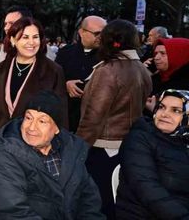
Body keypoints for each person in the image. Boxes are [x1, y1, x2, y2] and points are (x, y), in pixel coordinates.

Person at [0, 90, 104, 219]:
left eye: (42, 121)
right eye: (28, 118)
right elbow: (14, 212)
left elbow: (88, 200)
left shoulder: (70, 151)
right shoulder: (3, 157)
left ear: (56, 128)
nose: (31, 128)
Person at [76, 19, 152, 219]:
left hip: (102, 148)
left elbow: (94, 115)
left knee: (99, 205)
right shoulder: (142, 69)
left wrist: (77, 148)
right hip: (128, 146)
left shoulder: (108, 70)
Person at [0, 17, 67, 147]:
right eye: (25, 37)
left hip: (34, 144)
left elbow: (61, 112)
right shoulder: (3, 67)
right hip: (2, 141)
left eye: (35, 37)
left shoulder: (53, 71)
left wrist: (58, 145)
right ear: (13, 40)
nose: (31, 42)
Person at [115, 89, 189, 219]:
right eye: (161, 107)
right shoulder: (139, 139)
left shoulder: (184, 141)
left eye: (176, 110)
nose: (164, 114)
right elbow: (147, 189)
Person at [55, 15, 107, 132]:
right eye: (97, 33)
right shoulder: (65, 53)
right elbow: (53, 79)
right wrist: (66, 84)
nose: (101, 37)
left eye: (104, 34)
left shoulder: (108, 56)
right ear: (81, 32)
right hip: (67, 116)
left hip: (94, 119)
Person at [149, 37, 189, 104]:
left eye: (163, 53)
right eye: (155, 53)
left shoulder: (184, 86)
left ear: (178, 55)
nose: (156, 58)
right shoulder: (156, 77)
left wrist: (154, 109)